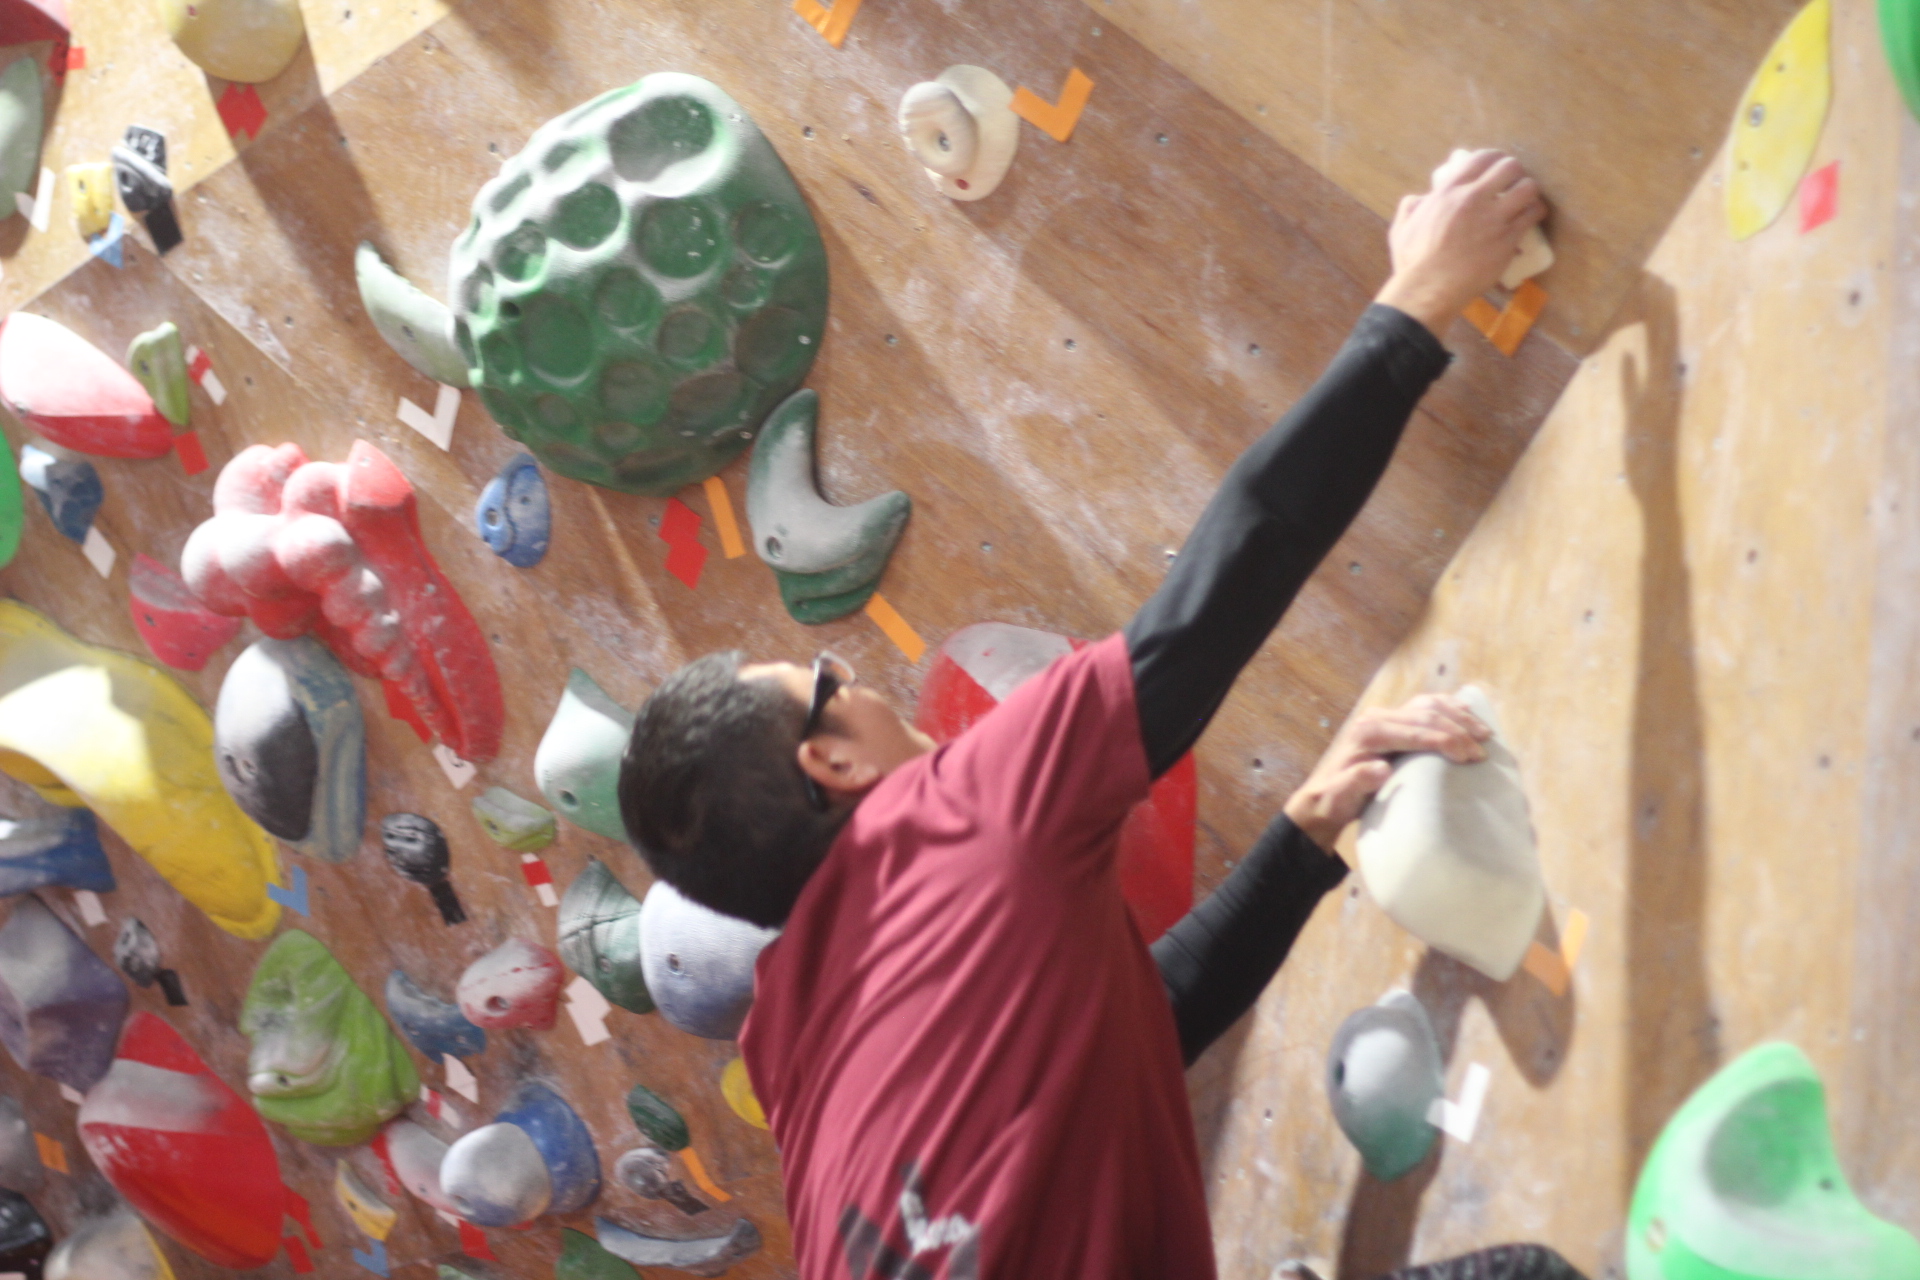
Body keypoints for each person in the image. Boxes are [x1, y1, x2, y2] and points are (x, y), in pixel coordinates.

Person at [620, 149, 1556, 1279]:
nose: (857, 678)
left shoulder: (796, 1045)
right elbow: (1221, 591)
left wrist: (1304, 833)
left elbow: (1121, 1035)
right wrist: (1420, 297)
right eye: (826, 677)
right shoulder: (951, 819)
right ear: (833, 761)